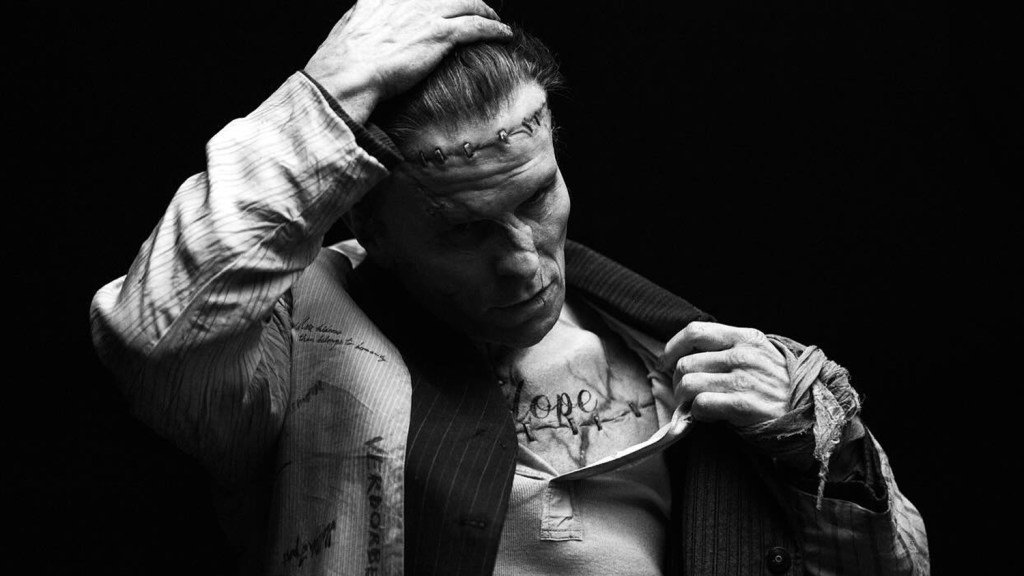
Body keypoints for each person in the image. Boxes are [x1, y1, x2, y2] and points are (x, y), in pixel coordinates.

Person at [89, 0, 929, 574]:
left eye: (535, 198)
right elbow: (154, 336)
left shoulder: (682, 348)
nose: (524, 261)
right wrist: (320, 103)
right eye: (463, 231)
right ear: (367, 223)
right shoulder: (299, 330)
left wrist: (820, 455)